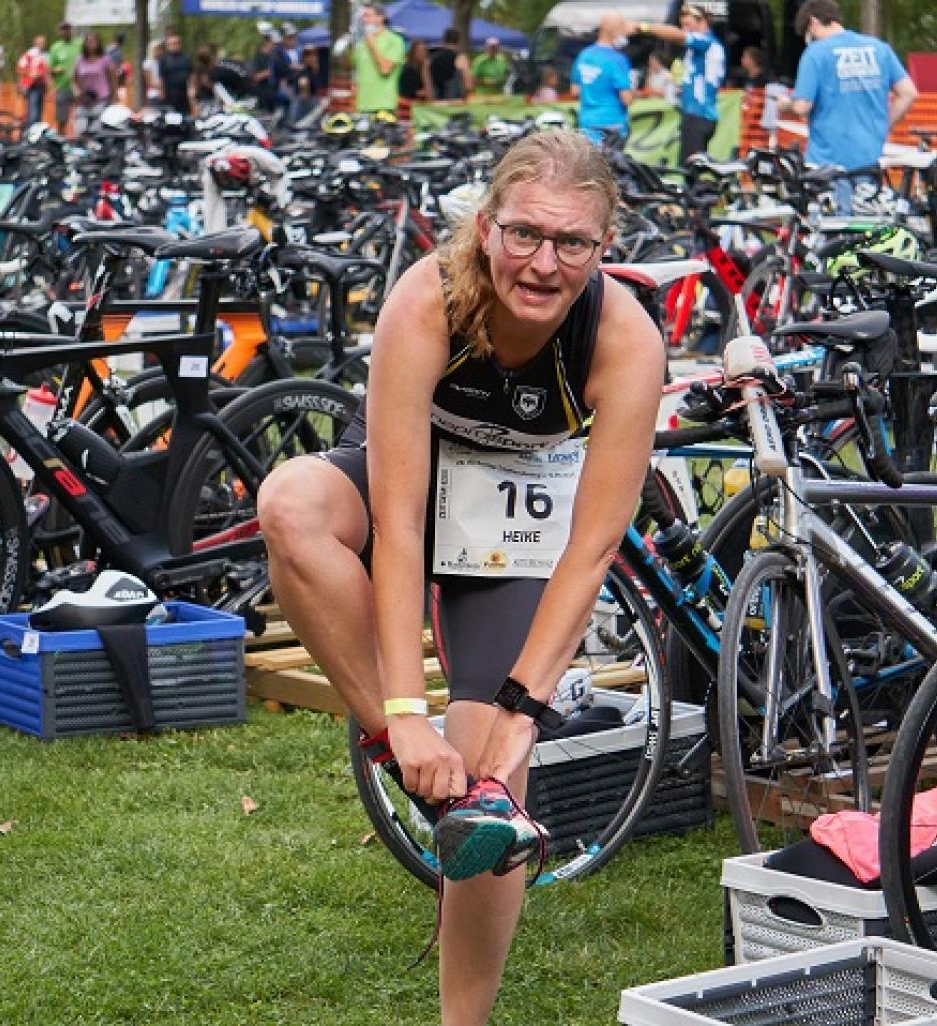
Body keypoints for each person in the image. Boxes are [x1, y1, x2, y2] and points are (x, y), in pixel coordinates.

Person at [257, 128, 662, 1026]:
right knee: (290, 504)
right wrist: (403, 713)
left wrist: (521, 716)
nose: (544, 264)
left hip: (511, 538)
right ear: (485, 226)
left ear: (605, 246)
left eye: (572, 243)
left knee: (491, 780)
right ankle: (393, 747)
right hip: (407, 488)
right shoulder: (429, 297)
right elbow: (398, 524)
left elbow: (592, 548)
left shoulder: (623, 339)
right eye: (524, 233)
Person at [780, 0, 917, 215]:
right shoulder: (879, 49)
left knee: (829, 230)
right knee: (867, 227)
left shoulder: (816, 53)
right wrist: (883, 125)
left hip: (827, 162)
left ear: (813, 22)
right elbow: (908, 93)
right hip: (869, 159)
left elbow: (802, 106)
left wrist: (785, 104)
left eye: (808, 33)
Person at [638, 3, 726, 163]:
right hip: (697, 114)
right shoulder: (701, 47)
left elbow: (678, 36)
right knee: (692, 165)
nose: (684, 29)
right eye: (682, 25)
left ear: (702, 21)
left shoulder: (705, 42)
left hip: (698, 114)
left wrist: (644, 27)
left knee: (690, 166)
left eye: (688, 24)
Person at [571, 12, 635, 144]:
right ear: (614, 30)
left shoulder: (584, 55)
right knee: (610, 158)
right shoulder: (617, 59)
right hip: (612, 124)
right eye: (622, 29)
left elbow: (575, 91)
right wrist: (633, 90)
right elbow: (626, 99)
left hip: (587, 123)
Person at [352, 5, 405, 114]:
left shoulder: (395, 41)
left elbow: (385, 69)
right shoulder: (361, 43)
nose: (364, 20)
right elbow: (354, 68)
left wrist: (372, 45)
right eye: (363, 17)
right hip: (362, 106)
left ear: (380, 18)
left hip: (384, 106)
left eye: (367, 16)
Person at [49, 21, 81, 134]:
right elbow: (49, 69)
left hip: (79, 87)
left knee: (80, 117)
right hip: (62, 87)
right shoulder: (55, 47)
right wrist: (56, 70)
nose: (65, 31)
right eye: (62, 29)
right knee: (61, 119)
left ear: (72, 30)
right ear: (59, 32)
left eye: (67, 29)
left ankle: (80, 140)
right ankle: (60, 140)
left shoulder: (80, 44)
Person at [158, 29, 194, 115]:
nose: (174, 45)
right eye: (171, 44)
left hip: (184, 95)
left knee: (185, 117)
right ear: (167, 45)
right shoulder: (164, 59)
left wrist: (192, 89)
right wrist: (161, 93)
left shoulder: (186, 58)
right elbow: (161, 78)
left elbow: (191, 75)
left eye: (176, 43)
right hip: (169, 95)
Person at [17, 35, 49, 127]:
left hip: (41, 86)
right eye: (39, 42)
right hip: (31, 86)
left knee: (39, 114)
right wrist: (30, 74)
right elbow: (20, 68)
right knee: (33, 113)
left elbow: (47, 71)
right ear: (35, 43)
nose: (41, 44)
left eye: (43, 43)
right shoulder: (30, 54)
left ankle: (36, 132)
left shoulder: (46, 55)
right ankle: (29, 131)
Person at [429, 28, 471, 100]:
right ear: (458, 41)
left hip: (435, 100)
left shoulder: (432, 57)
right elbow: (467, 83)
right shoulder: (460, 57)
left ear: (444, 40)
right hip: (454, 100)